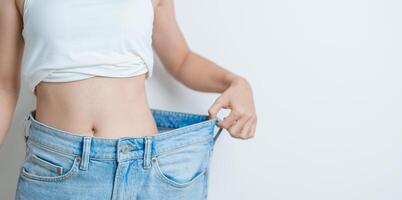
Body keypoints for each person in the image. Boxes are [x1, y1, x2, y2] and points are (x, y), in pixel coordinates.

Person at [0, 0, 257, 199]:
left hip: (150, 171)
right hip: (57, 168)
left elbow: (181, 60)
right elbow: (5, 85)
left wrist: (235, 82)